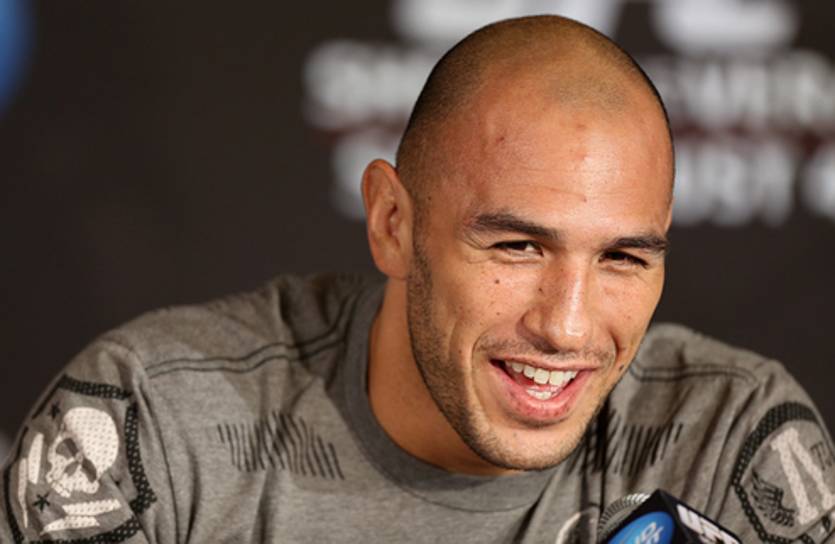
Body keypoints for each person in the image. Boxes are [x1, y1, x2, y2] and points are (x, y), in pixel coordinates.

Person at [2, 15, 834, 544]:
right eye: (516, 247)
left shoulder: (729, 439)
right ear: (392, 223)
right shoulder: (150, 425)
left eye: (622, 257)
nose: (568, 326)